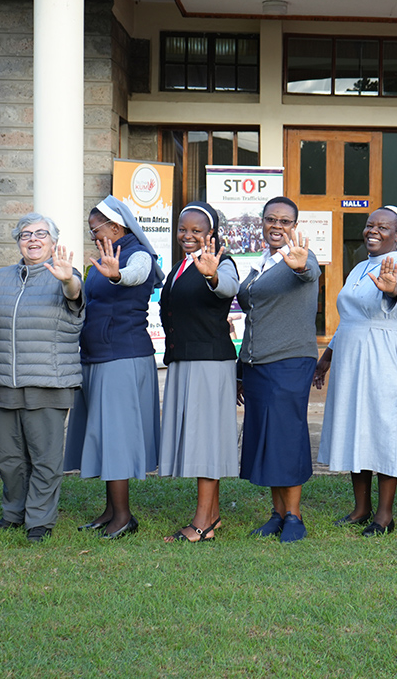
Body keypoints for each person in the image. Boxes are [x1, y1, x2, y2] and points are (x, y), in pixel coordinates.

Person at [315, 206, 397, 537]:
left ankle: (384, 515)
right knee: (357, 429)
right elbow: (349, 317)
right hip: (351, 357)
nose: (373, 231)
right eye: (369, 225)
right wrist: (327, 357)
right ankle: (361, 508)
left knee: (383, 428)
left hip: (384, 357)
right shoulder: (360, 267)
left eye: (383, 227)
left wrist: (391, 289)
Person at [0, 212, 85, 543]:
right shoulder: (4, 276)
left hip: (48, 382)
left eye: (41, 234)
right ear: (18, 241)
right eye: (26, 235)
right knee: (8, 457)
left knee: (44, 457)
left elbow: (75, 295)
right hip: (7, 381)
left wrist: (67, 279)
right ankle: (13, 513)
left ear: (53, 241)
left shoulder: (65, 274)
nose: (33, 240)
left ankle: (39, 520)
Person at [64, 195, 165, 540]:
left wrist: (118, 274)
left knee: (117, 437)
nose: (93, 236)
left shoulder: (136, 254)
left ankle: (123, 516)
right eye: (90, 232)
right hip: (97, 356)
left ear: (117, 226)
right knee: (105, 435)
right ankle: (110, 510)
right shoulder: (104, 256)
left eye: (97, 230)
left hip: (122, 357)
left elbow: (138, 275)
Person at [237, 196, 320, 543]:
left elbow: (309, 272)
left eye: (285, 221)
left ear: (294, 226)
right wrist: (242, 368)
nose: (277, 226)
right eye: (271, 219)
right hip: (257, 363)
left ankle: (295, 517)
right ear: (262, 223)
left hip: (288, 362)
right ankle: (277, 513)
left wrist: (300, 265)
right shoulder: (262, 263)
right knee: (266, 439)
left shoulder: (300, 257)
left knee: (286, 437)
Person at [159, 202, 239, 543]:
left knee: (205, 440)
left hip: (208, 363)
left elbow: (229, 287)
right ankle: (214, 515)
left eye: (196, 230)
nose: (187, 236)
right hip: (185, 360)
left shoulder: (221, 261)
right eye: (183, 229)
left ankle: (202, 522)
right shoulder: (179, 266)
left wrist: (212, 274)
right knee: (199, 438)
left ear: (212, 234)